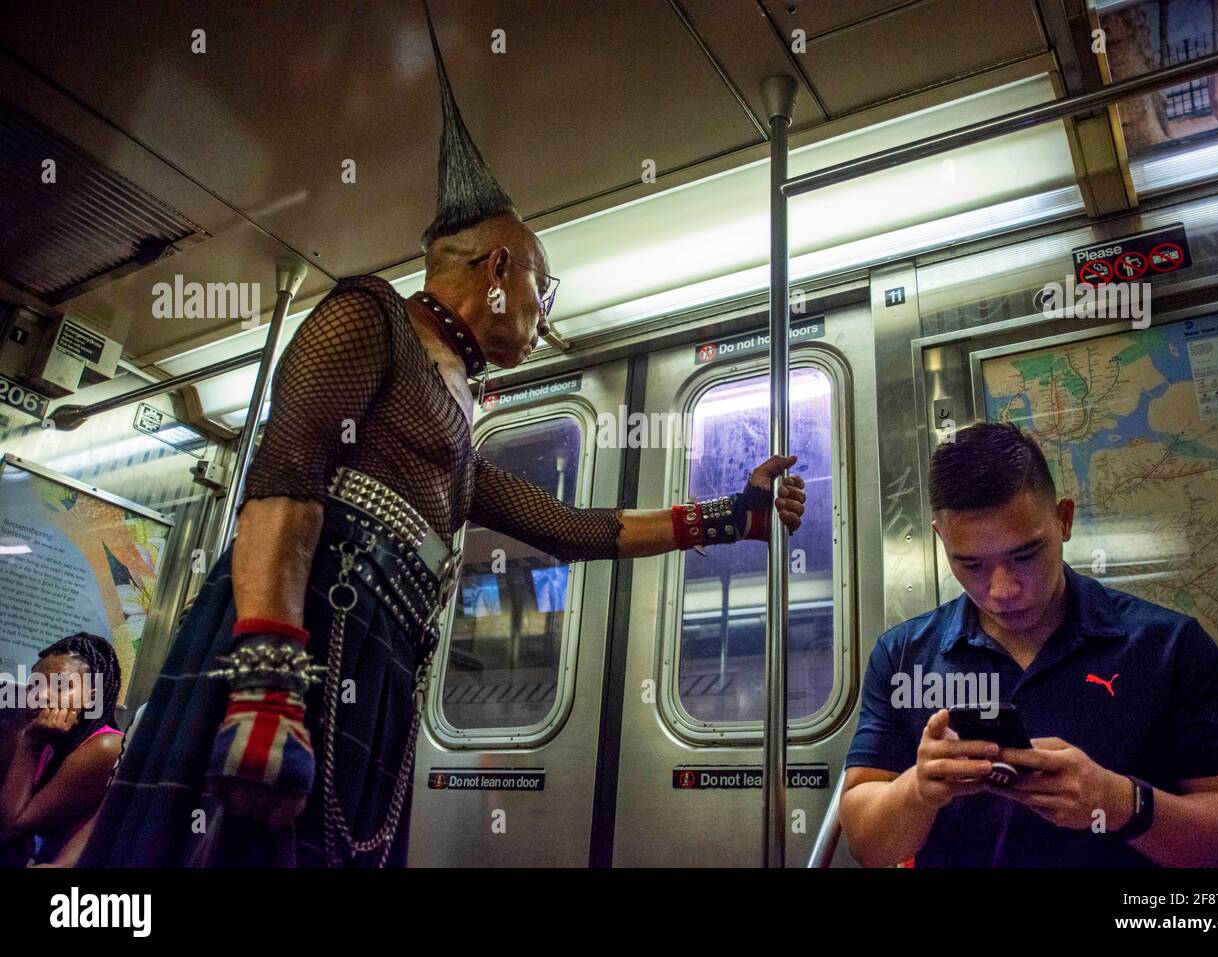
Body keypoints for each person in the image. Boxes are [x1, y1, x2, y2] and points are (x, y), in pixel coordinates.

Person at [78, 7, 806, 869]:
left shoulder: (457, 428)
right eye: (544, 284)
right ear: (497, 269)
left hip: (371, 670)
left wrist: (732, 516)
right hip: (294, 646)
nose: (545, 312)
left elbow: (573, 530)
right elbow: (286, 477)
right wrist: (268, 676)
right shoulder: (367, 317)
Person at [839, 423, 1218, 867]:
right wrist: (918, 790)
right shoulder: (904, 656)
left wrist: (1120, 803)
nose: (1003, 589)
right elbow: (868, 847)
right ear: (942, 541)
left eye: (1026, 555)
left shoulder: (1168, 646)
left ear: (1064, 520)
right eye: (971, 563)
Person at [0, 633, 123, 867]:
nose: (42, 695)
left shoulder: (105, 745)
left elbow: (13, 825)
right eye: (35, 685)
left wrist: (30, 742)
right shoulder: (51, 739)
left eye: (60, 686)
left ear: (91, 697)